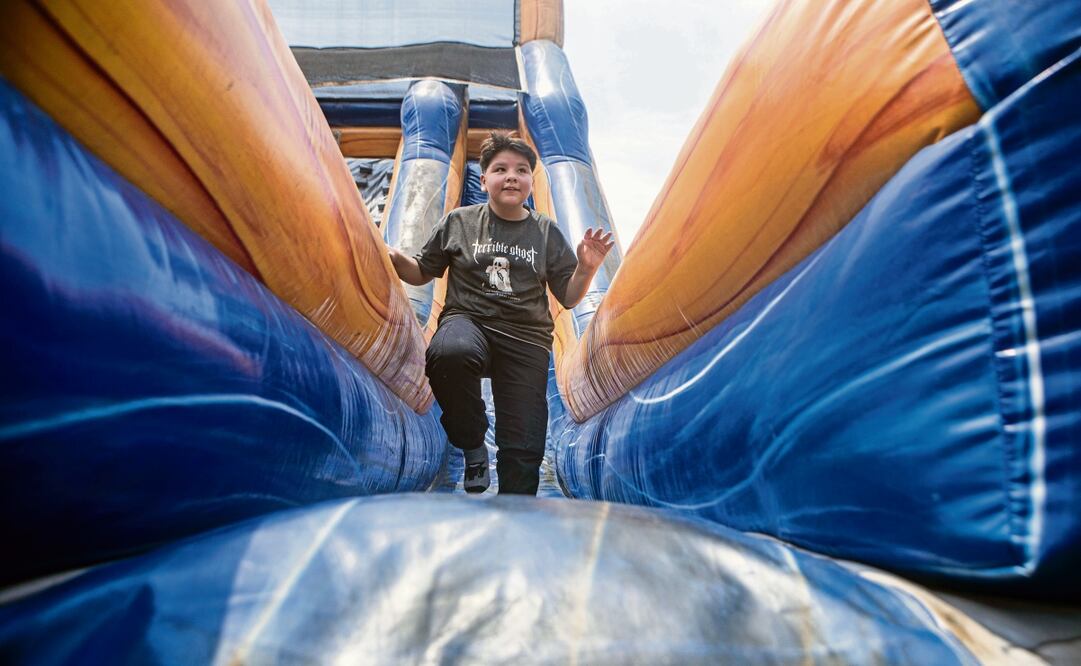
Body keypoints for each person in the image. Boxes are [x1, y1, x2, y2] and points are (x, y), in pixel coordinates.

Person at [388, 131, 614, 495]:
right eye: (501, 169)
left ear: (530, 181)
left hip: (525, 336)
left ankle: (515, 517)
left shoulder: (544, 231)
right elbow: (421, 272)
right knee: (448, 354)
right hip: (469, 321)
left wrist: (587, 267)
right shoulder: (458, 222)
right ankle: (473, 444)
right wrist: (394, 259)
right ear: (484, 179)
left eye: (522, 170)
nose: (512, 176)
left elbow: (569, 298)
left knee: (524, 447)